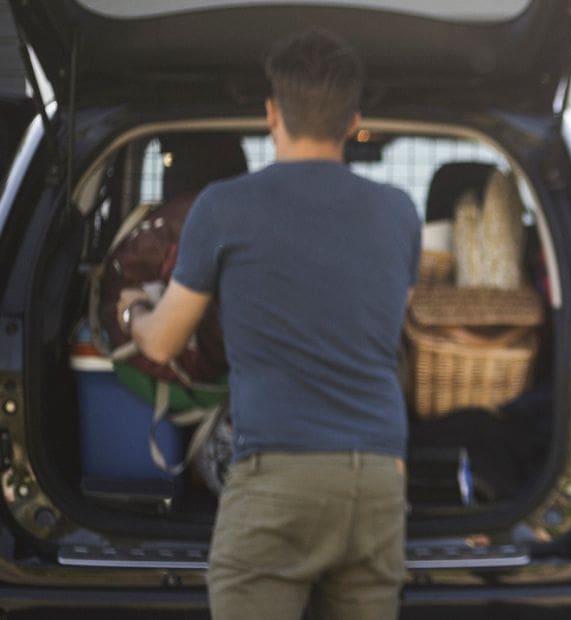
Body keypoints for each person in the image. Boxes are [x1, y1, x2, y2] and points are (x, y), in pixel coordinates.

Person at [116, 28, 420, 619]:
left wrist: (133, 310)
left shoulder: (224, 207)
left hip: (280, 475)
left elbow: (165, 340)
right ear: (353, 119)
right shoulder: (399, 212)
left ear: (271, 113)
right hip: (380, 481)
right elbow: (387, 317)